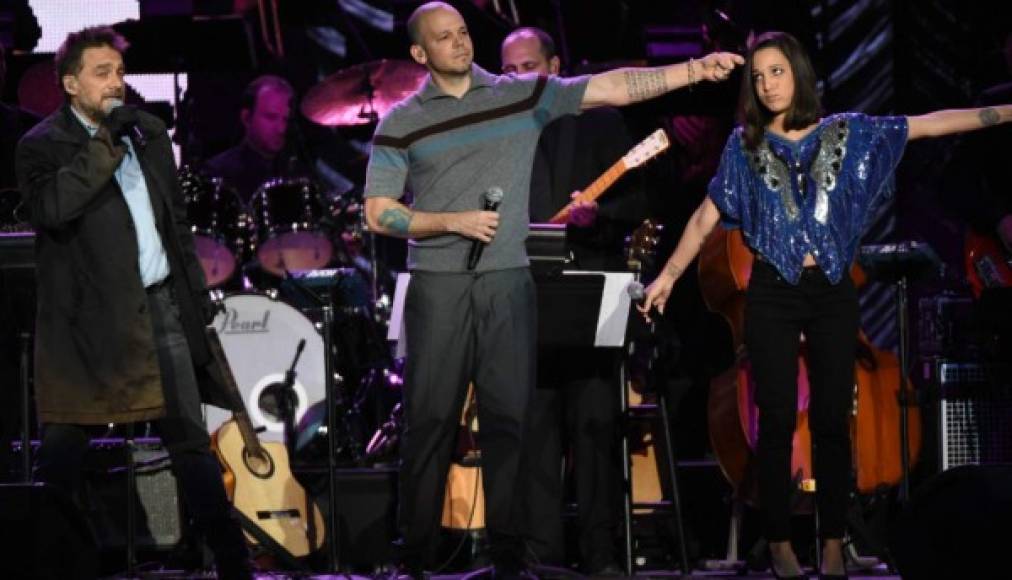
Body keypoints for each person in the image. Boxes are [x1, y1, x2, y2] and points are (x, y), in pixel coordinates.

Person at [363, 2, 742, 577]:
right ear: (420, 54)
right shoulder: (401, 121)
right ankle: (413, 558)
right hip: (440, 284)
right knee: (432, 420)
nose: (460, 44)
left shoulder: (517, 95)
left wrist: (693, 70)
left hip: (509, 282)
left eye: (463, 32)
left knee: (509, 421)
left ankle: (510, 560)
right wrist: (450, 221)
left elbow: (611, 87)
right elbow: (378, 214)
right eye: (444, 38)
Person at [638, 31, 1012, 579]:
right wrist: (668, 276)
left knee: (834, 420)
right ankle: (782, 544)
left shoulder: (846, 133)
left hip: (830, 292)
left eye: (777, 72)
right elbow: (703, 218)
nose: (767, 84)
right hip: (770, 291)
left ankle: (834, 542)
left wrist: (1003, 112)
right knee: (778, 420)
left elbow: (927, 124)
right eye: (758, 76)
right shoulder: (744, 148)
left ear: (799, 74)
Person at [15, 26, 251, 579]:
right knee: (64, 450)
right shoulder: (40, 145)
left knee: (190, 445)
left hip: (159, 310)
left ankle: (234, 566)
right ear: (71, 84)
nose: (116, 83)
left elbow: (176, 226)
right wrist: (105, 146)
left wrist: (197, 299)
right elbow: (51, 208)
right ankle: (52, 564)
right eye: (102, 74)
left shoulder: (148, 131)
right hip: (86, 326)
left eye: (119, 72)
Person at [500, 26, 645, 575]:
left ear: (556, 67)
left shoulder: (601, 123)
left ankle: (602, 557)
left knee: (595, 430)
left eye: (528, 66)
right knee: (533, 432)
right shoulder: (495, 136)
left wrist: (599, 215)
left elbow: (644, 200)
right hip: (525, 298)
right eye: (509, 70)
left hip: (590, 294)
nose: (518, 79)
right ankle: (542, 558)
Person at [205, 74, 306, 204]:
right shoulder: (218, 174)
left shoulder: (296, 172)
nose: (281, 129)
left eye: (285, 120)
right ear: (246, 118)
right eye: (271, 117)